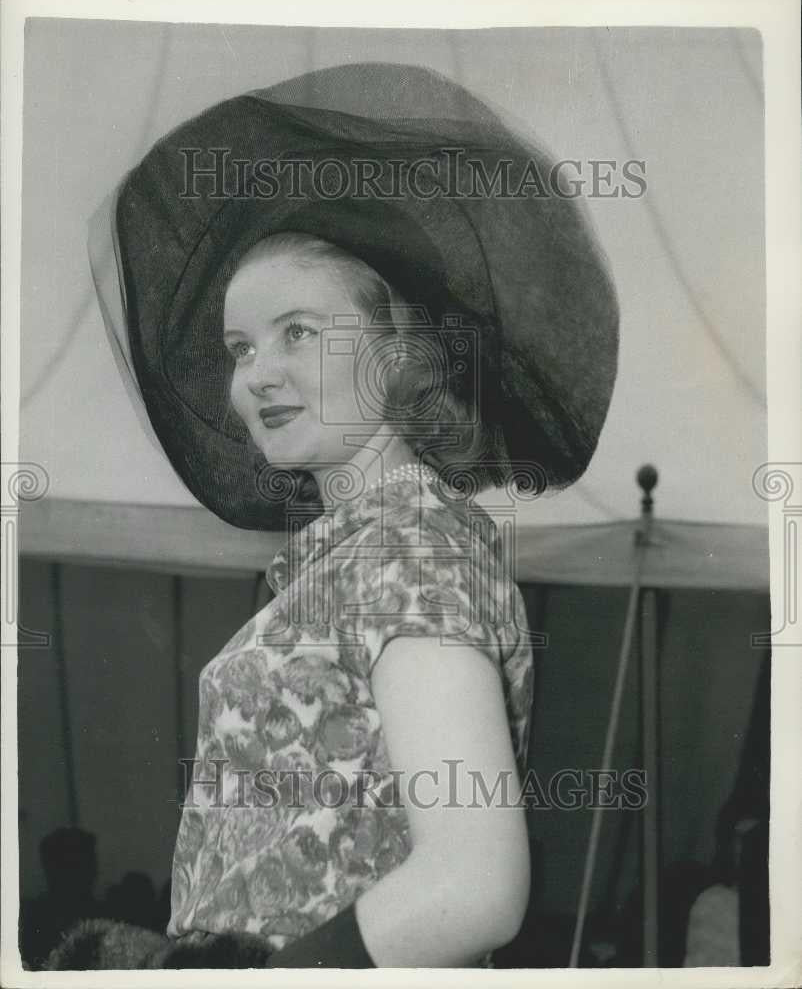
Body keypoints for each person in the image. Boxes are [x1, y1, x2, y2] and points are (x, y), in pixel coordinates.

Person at [48, 61, 618, 969]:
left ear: (399, 356)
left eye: (298, 333)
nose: (255, 375)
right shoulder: (354, 559)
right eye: (240, 349)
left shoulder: (411, 552)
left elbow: (477, 884)